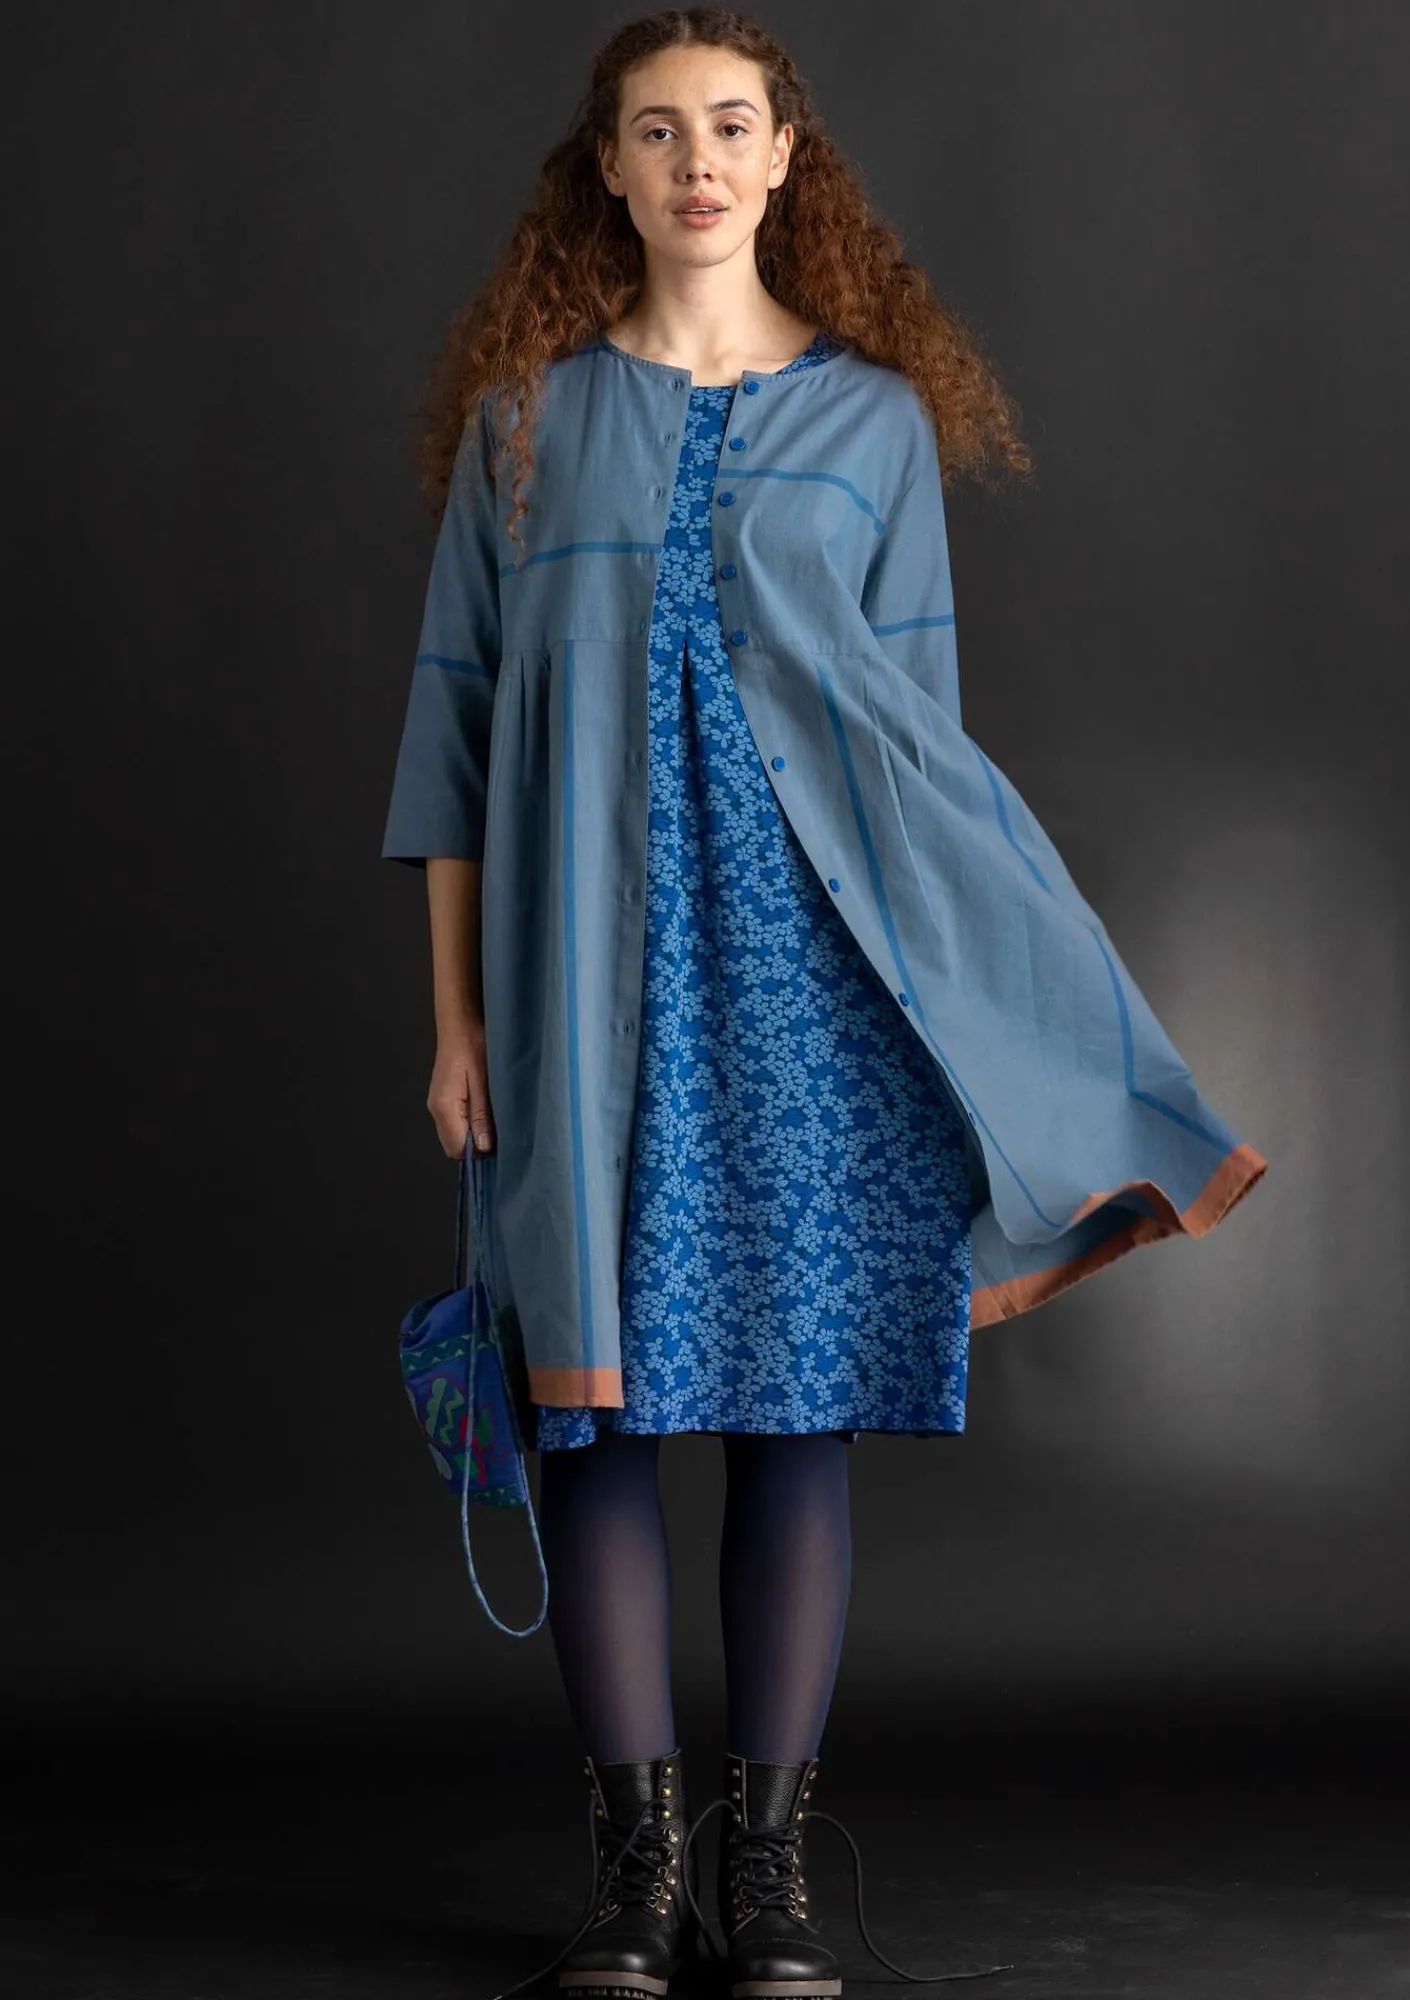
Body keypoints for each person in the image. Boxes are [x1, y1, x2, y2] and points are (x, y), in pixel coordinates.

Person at [381, 11, 1268, 1997]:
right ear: (606, 167)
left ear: (786, 156)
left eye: (730, 125)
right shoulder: (525, 425)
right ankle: (637, 1880)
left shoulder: (874, 424)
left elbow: (917, 754)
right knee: (594, 1418)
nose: (695, 160)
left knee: (794, 1420)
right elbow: (454, 732)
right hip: (584, 989)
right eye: (655, 130)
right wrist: (457, 1024)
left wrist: (964, 1008)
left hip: (814, 991)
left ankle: (766, 1877)